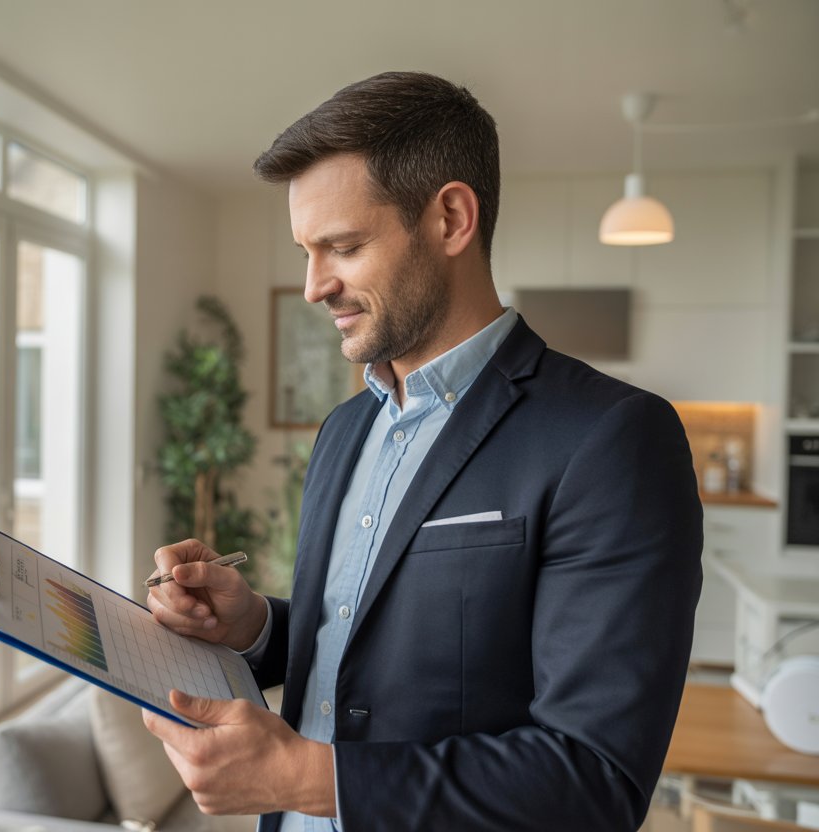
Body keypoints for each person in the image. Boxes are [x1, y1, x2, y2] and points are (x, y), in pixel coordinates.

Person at [142, 71, 703, 831]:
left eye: (342, 246)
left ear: (450, 219)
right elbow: (362, 648)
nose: (313, 287)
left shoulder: (611, 439)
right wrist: (254, 629)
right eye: (307, 251)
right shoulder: (344, 431)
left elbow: (593, 779)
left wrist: (310, 777)